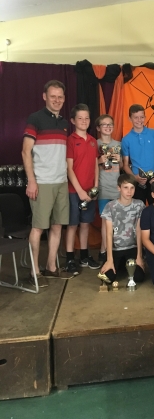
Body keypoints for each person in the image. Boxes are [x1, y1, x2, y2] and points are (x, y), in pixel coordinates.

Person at [22, 80, 73, 287]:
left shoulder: (63, 122)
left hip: (61, 181)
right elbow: (26, 152)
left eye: (60, 97)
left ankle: (51, 267)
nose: (57, 100)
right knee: (38, 227)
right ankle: (35, 271)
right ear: (45, 97)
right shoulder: (35, 119)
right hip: (42, 182)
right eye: (53, 96)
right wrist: (31, 181)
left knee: (57, 225)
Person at [65, 103, 100, 273]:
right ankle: (70, 258)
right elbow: (69, 168)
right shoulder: (70, 141)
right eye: (80, 118)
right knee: (73, 225)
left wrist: (95, 188)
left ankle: (84, 255)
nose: (84, 121)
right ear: (73, 120)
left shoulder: (93, 141)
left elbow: (95, 166)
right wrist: (79, 190)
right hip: (74, 191)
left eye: (86, 118)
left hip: (89, 191)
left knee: (86, 224)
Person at [98, 174, 145, 285]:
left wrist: (139, 256)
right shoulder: (110, 206)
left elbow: (139, 231)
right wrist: (109, 259)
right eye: (125, 187)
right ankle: (117, 265)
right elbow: (109, 233)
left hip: (132, 248)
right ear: (119, 188)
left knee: (139, 277)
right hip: (115, 249)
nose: (129, 191)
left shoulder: (139, 205)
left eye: (132, 188)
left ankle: (124, 266)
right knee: (107, 278)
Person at [121, 104, 154, 205]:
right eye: (136, 117)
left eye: (141, 117)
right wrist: (135, 178)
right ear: (130, 118)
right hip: (138, 181)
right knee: (139, 212)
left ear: (145, 117)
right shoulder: (126, 139)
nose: (139, 120)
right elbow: (125, 165)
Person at [96, 114, 121, 265]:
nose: (108, 127)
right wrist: (99, 161)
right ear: (98, 128)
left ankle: (116, 250)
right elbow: (90, 166)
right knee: (106, 222)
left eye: (110, 124)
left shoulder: (118, 144)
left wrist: (120, 161)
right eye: (104, 124)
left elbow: (123, 167)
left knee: (117, 222)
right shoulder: (95, 143)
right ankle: (103, 251)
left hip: (117, 188)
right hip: (103, 188)